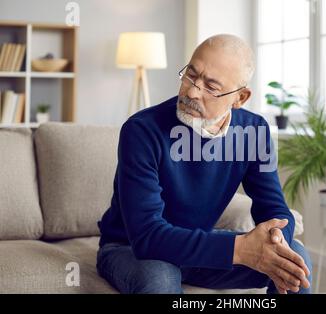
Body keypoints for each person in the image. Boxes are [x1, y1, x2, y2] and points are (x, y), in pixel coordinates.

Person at [96, 34, 312, 294]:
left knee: (294, 261)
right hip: (129, 248)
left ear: (240, 97)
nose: (191, 91)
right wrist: (241, 249)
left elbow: (275, 210)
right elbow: (147, 236)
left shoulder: (254, 131)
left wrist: (276, 245)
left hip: (196, 249)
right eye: (191, 74)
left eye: (211, 86)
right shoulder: (141, 130)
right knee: (160, 278)